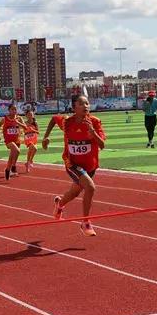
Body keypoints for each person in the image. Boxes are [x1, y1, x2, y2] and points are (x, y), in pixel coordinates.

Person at [53, 94, 106, 237]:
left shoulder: (95, 122)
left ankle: (60, 204)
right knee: (90, 187)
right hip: (72, 163)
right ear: (74, 107)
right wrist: (46, 137)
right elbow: (54, 119)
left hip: (90, 165)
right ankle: (85, 222)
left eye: (87, 103)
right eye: (82, 104)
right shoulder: (67, 122)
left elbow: (102, 145)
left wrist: (93, 133)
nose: (86, 106)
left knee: (74, 192)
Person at [0, 103, 23, 180]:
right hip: (8, 140)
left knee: (12, 156)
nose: (14, 111)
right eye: (12, 109)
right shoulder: (5, 119)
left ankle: (8, 169)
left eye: (15, 109)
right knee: (17, 151)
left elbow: (24, 126)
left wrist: (20, 125)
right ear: (9, 110)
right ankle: (13, 167)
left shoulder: (19, 118)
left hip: (17, 139)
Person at [22, 107, 39, 173]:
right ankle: (30, 161)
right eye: (29, 115)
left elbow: (38, 132)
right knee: (34, 148)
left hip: (34, 138)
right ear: (26, 116)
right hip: (27, 138)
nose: (30, 116)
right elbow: (22, 129)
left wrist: (33, 130)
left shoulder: (35, 122)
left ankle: (27, 163)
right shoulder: (25, 123)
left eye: (31, 114)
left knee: (31, 150)